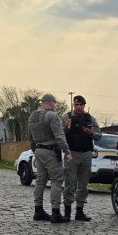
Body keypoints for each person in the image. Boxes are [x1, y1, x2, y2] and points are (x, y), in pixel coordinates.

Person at [28, 93, 72, 223]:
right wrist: (67, 151)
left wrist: (34, 149)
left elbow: (30, 136)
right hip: (50, 151)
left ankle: (38, 210)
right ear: (51, 102)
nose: (55, 106)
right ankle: (55, 212)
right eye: (55, 103)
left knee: (40, 180)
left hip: (38, 150)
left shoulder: (33, 116)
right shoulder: (51, 115)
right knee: (57, 180)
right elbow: (59, 136)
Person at [62, 95, 102, 221]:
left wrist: (91, 133)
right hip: (71, 154)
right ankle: (67, 212)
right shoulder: (67, 117)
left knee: (83, 184)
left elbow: (99, 135)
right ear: (73, 105)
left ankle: (79, 211)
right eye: (76, 105)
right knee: (70, 183)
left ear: (84, 105)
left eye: (81, 105)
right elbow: (59, 134)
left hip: (86, 154)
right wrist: (66, 128)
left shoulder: (90, 118)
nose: (79, 107)